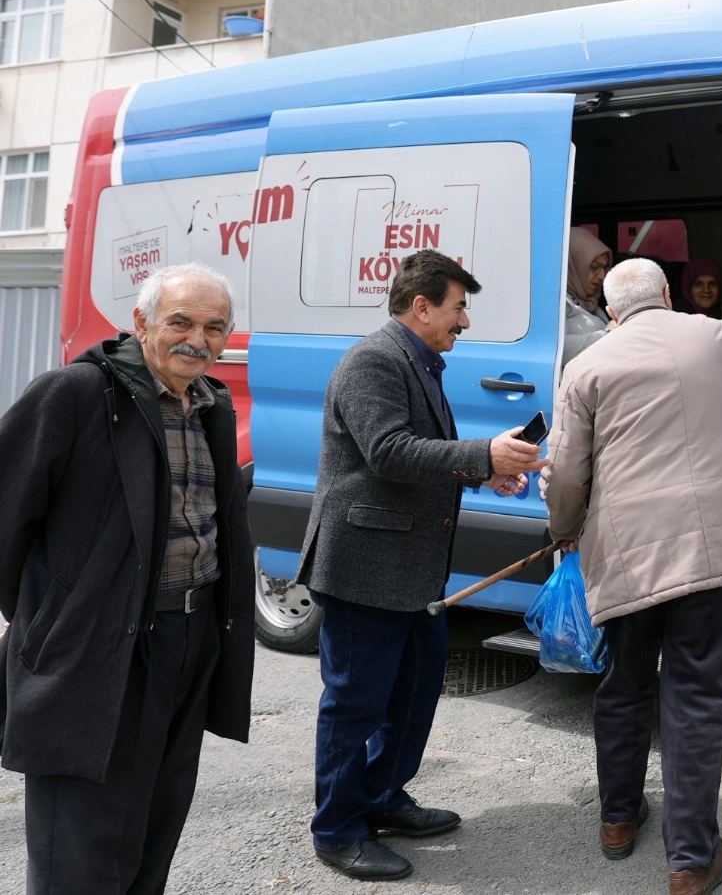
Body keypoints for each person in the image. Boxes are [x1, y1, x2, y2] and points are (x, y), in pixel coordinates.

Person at [0, 262, 255, 894]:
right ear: (141, 322)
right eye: (180, 322)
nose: (198, 339)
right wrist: (52, 616)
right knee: (80, 852)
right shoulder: (76, 395)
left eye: (215, 327)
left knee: (151, 830)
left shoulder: (210, 405)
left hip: (189, 640)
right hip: (98, 649)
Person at [542, 258, 722, 894]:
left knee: (624, 686)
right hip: (713, 557)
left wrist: (563, 530)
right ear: (670, 295)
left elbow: (567, 476)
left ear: (609, 312)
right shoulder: (714, 335)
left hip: (627, 555)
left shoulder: (586, 367)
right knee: (697, 697)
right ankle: (690, 860)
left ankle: (618, 821)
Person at [296, 249, 545, 881]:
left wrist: (487, 473)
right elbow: (389, 452)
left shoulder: (418, 361)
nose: (465, 320)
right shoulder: (375, 360)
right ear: (422, 306)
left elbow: (422, 457)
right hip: (365, 569)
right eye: (459, 307)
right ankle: (338, 828)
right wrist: (483, 455)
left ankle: (381, 797)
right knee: (356, 703)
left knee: (412, 693)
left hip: (407, 569)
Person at [565, 226, 614, 366]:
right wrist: (609, 336)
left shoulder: (591, 303)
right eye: (594, 267)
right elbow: (556, 348)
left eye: (604, 268)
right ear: (574, 265)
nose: (602, 276)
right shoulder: (557, 303)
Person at [680, 257, 722, 322]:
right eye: (698, 284)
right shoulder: (676, 319)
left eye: (712, 284)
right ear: (688, 289)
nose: (706, 290)